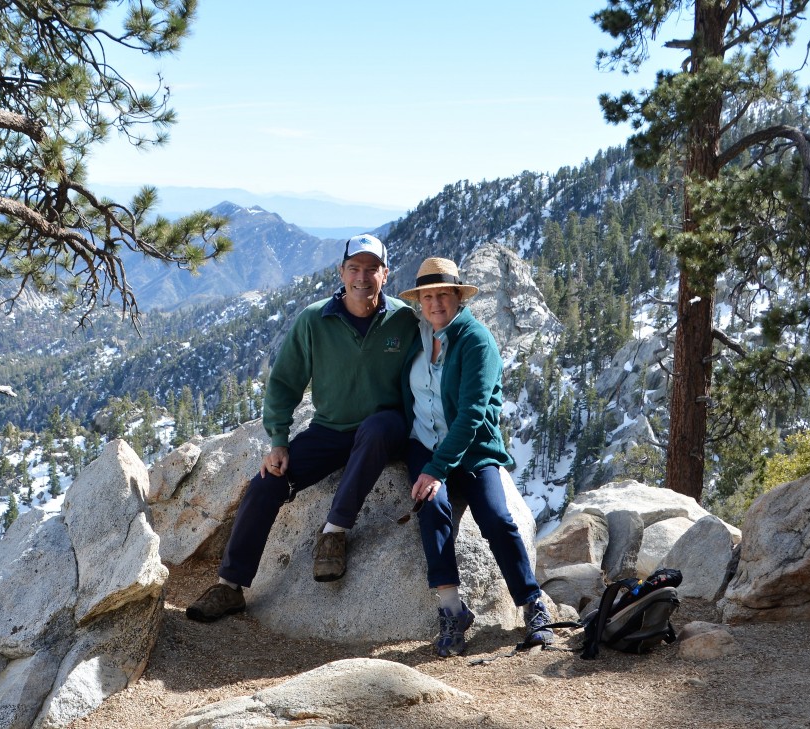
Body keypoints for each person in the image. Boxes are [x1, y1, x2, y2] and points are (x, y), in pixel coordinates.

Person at [186, 233, 419, 622]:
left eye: (372, 269)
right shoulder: (315, 320)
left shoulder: (404, 320)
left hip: (385, 432)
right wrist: (278, 440)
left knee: (378, 426)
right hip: (330, 431)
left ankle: (334, 533)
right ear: (342, 272)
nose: (363, 277)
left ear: (386, 273)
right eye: (355, 268)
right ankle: (230, 587)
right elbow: (284, 384)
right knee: (267, 483)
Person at [398, 257, 554, 657]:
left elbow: (470, 416)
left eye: (443, 295)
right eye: (427, 296)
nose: (435, 303)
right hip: (423, 443)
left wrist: (435, 469)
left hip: (471, 449)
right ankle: (452, 612)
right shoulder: (417, 335)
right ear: (420, 301)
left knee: (497, 519)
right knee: (433, 510)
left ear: (457, 298)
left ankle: (533, 603)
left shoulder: (476, 340)